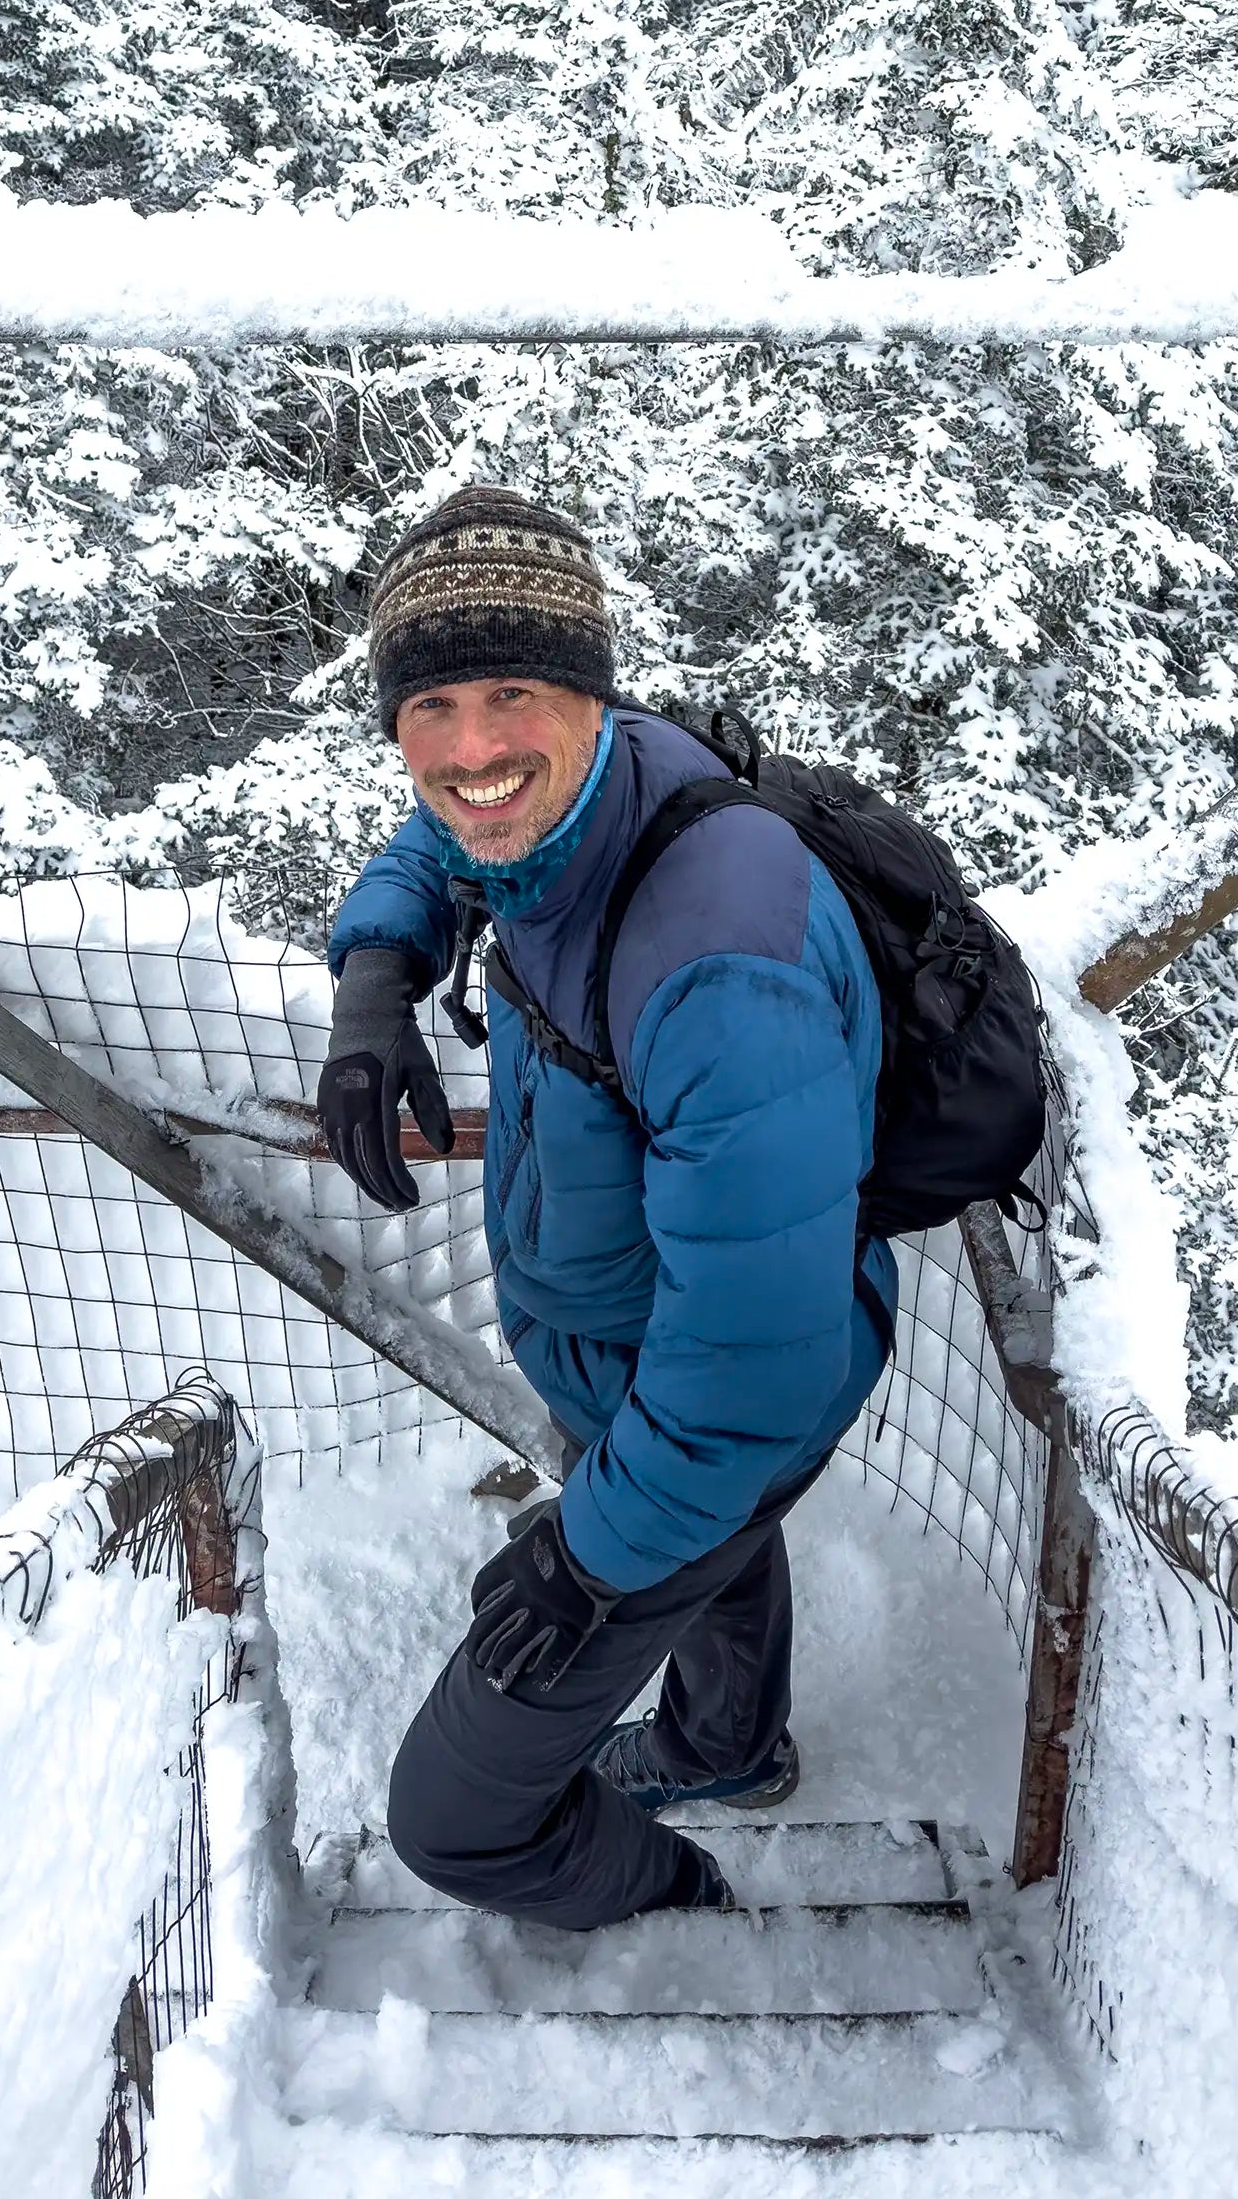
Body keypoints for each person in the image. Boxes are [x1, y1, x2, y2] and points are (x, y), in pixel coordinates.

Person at [316, 483, 895, 1931]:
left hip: (718, 1397)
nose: (469, 750)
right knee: (722, 1538)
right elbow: (444, 842)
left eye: (510, 693)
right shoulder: (592, 789)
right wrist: (380, 971)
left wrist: (588, 1562)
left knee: (457, 1822)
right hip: (637, 1352)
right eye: (430, 705)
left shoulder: (718, 965)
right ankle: (727, 1747)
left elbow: (748, 1379)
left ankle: (684, 1908)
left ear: (588, 695)